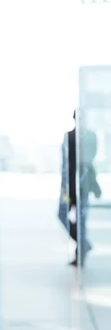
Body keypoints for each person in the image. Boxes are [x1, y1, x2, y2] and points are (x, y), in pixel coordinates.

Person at [58, 110, 101, 267]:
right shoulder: (68, 135)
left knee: (81, 220)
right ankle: (83, 244)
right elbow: (65, 163)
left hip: (82, 185)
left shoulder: (90, 136)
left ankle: (80, 253)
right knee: (62, 213)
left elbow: (89, 159)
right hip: (69, 185)